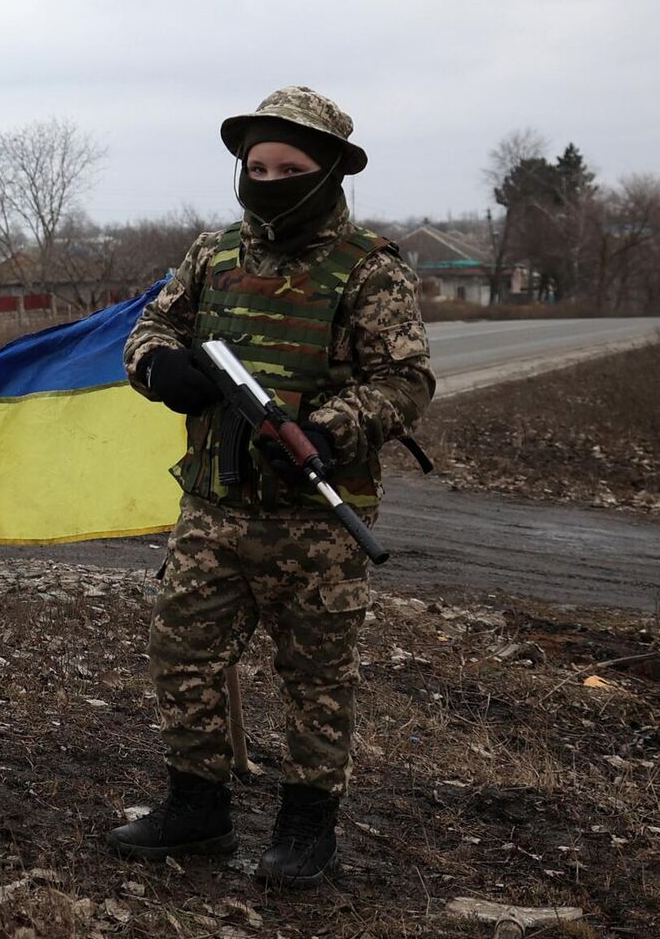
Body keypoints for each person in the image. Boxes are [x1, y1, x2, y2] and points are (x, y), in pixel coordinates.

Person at [105, 86, 434, 887]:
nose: (271, 178)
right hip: (214, 507)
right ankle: (197, 807)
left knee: (317, 678)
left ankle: (307, 825)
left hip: (318, 522)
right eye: (258, 165)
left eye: (291, 167)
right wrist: (161, 367)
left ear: (328, 175)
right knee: (182, 653)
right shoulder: (212, 256)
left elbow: (406, 382)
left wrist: (328, 431)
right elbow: (151, 327)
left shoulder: (368, 270)